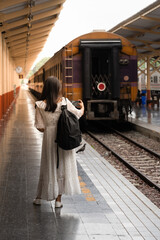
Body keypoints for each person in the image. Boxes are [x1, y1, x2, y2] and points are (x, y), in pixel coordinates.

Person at [33, 76, 84, 207]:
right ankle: (58, 201)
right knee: (62, 167)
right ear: (57, 88)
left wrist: (49, 129)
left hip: (49, 138)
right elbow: (77, 115)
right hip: (64, 137)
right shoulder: (65, 102)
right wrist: (82, 107)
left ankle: (39, 198)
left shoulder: (40, 105)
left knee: (48, 166)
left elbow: (39, 126)